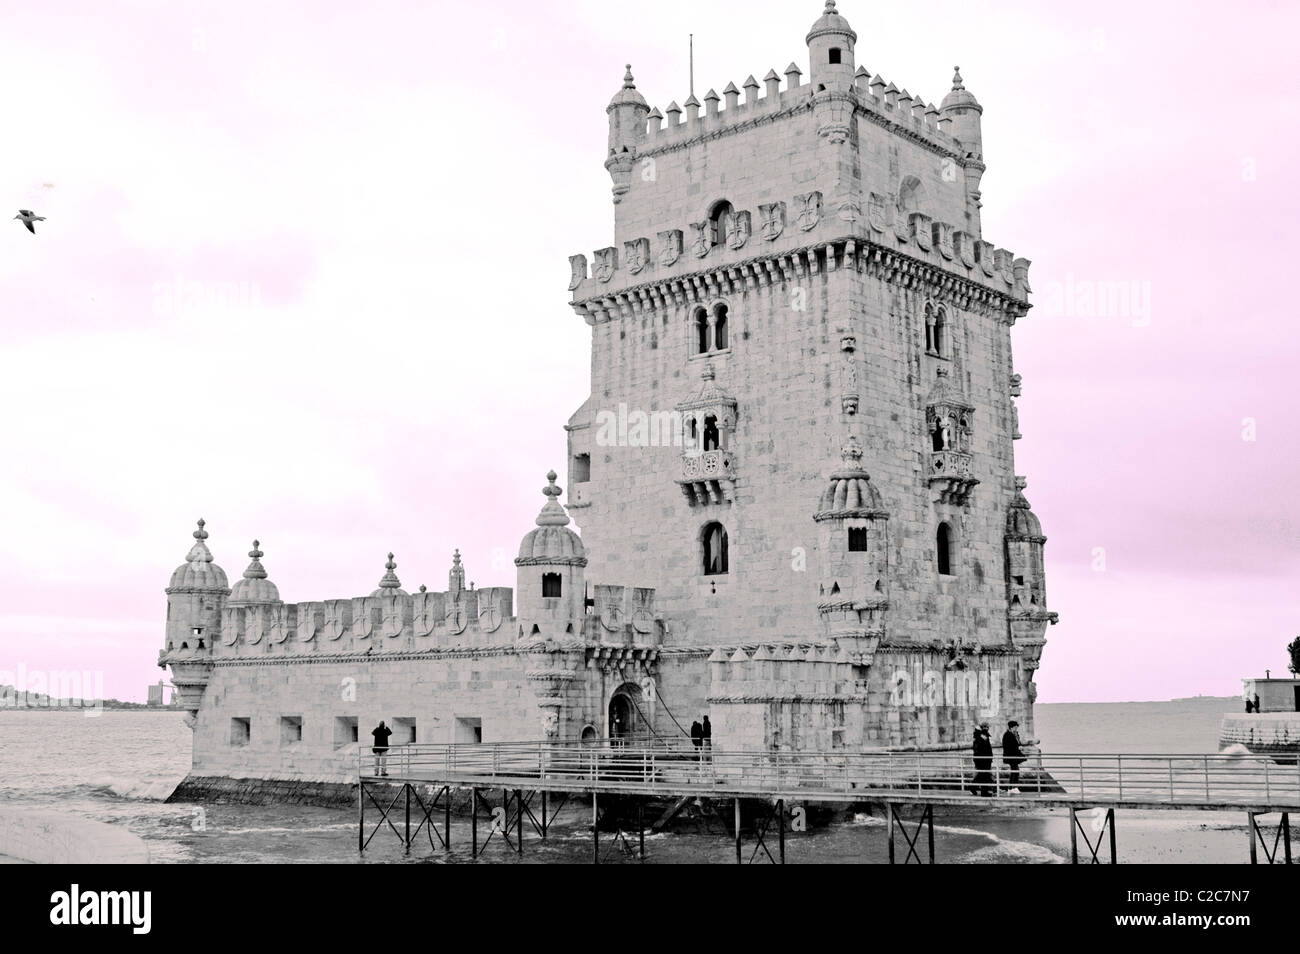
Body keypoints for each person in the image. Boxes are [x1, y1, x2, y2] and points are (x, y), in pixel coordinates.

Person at [1002, 720, 1027, 793]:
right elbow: (1007, 746)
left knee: (1015, 771)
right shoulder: (1007, 735)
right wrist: (1017, 748)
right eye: (1015, 727)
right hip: (1011, 756)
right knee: (1015, 771)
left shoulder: (1015, 734)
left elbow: (1017, 743)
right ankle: (1012, 788)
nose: (1016, 729)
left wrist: (1019, 746)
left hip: (1015, 755)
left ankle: (1012, 788)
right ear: (1011, 727)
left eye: (1017, 727)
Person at [972, 723, 994, 796]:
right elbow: (981, 749)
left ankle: (973, 787)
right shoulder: (980, 736)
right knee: (984, 775)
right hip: (983, 759)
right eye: (986, 727)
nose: (988, 728)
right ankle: (984, 792)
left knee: (982, 775)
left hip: (984, 759)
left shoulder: (980, 736)